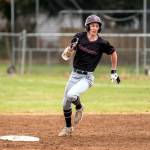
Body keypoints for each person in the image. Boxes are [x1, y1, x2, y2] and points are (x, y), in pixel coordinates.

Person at [58, 14, 120, 137]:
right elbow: (66, 56)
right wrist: (70, 49)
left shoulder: (102, 43)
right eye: (92, 25)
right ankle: (68, 128)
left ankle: (80, 108)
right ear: (88, 26)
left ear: (99, 28)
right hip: (74, 74)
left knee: (71, 95)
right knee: (65, 103)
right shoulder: (79, 37)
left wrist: (113, 71)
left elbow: (113, 54)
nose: (94, 28)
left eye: (97, 26)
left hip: (87, 77)